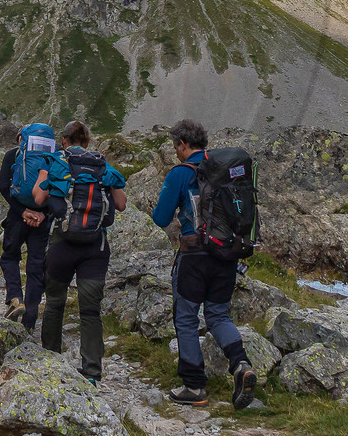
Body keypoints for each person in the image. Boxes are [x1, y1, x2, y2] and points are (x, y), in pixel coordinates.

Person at [151, 119, 257, 409]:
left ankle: (194, 386)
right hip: (226, 254)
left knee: (186, 317)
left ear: (184, 145)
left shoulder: (181, 173)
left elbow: (160, 219)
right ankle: (240, 365)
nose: (175, 152)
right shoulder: (223, 170)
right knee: (219, 315)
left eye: (176, 146)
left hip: (194, 255)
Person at [40, 122, 126, 384]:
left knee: (55, 303)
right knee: (90, 312)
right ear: (87, 142)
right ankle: (91, 372)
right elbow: (121, 205)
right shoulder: (103, 166)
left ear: (64, 141)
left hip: (61, 244)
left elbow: (39, 196)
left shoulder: (57, 161)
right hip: (95, 247)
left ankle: (50, 363)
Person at [0, 123, 66, 330]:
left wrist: (22, 212)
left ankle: (15, 298)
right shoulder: (56, 158)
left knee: (10, 256)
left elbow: (4, 187)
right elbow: (59, 192)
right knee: (36, 266)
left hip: (18, 217)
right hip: (42, 220)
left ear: (22, 139)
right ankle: (30, 320)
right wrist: (43, 214)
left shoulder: (14, 155)